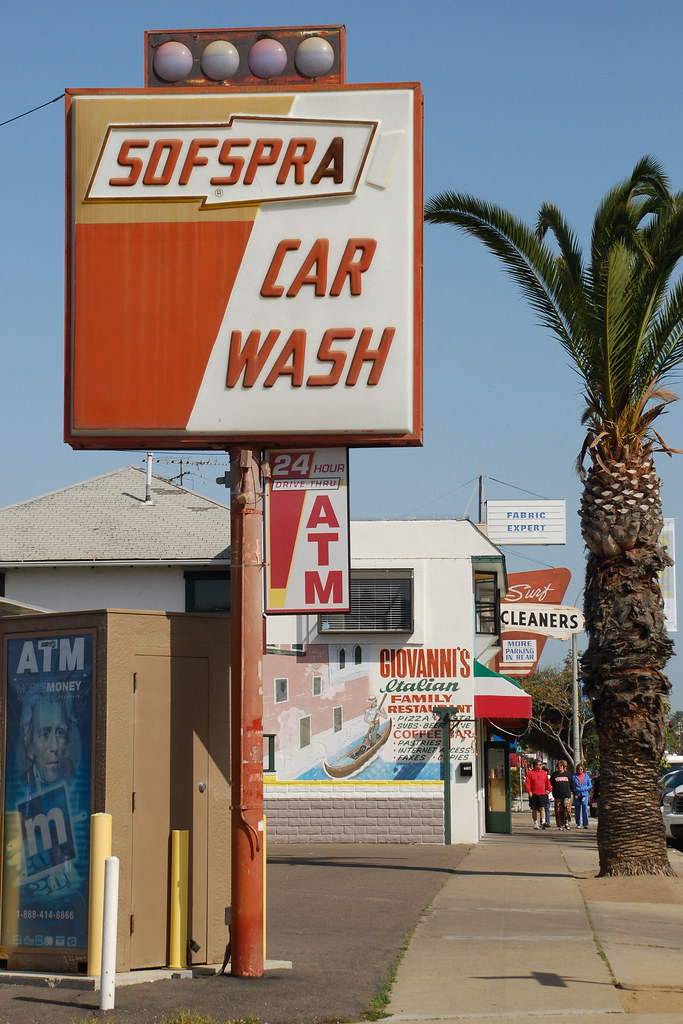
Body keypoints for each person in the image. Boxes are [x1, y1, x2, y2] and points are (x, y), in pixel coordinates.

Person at [19, 694, 75, 796]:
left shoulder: (73, 777)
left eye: (60, 733)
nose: (55, 747)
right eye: (44, 734)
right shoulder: (21, 785)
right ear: (30, 745)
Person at [525, 759, 552, 829]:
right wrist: (529, 791)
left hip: (542, 794)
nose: (541, 766)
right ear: (535, 766)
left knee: (542, 808)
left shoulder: (544, 773)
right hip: (534, 794)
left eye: (541, 764)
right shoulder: (530, 773)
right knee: (534, 809)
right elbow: (527, 783)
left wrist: (549, 790)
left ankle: (543, 822)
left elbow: (547, 783)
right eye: (539, 765)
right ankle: (535, 823)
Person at [550, 759, 573, 830]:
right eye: (558, 766)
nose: (559, 767)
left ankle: (567, 822)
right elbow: (550, 785)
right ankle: (560, 825)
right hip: (557, 796)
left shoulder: (568, 774)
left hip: (566, 796)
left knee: (567, 809)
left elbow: (572, 784)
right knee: (558, 811)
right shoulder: (554, 775)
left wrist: (574, 793)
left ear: (564, 767)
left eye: (561, 766)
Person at [572, 762, 592, 828]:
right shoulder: (574, 776)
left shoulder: (586, 776)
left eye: (581, 769)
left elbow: (590, 785)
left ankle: (585, 823)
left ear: (583, 770)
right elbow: (572, 785)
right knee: (577, 808)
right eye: (578, 769)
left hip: (584, 794)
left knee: (584, 806)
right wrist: (576, 790)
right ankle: (578, 823)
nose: (579, 771)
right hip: (577, 794)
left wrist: (584, 788)